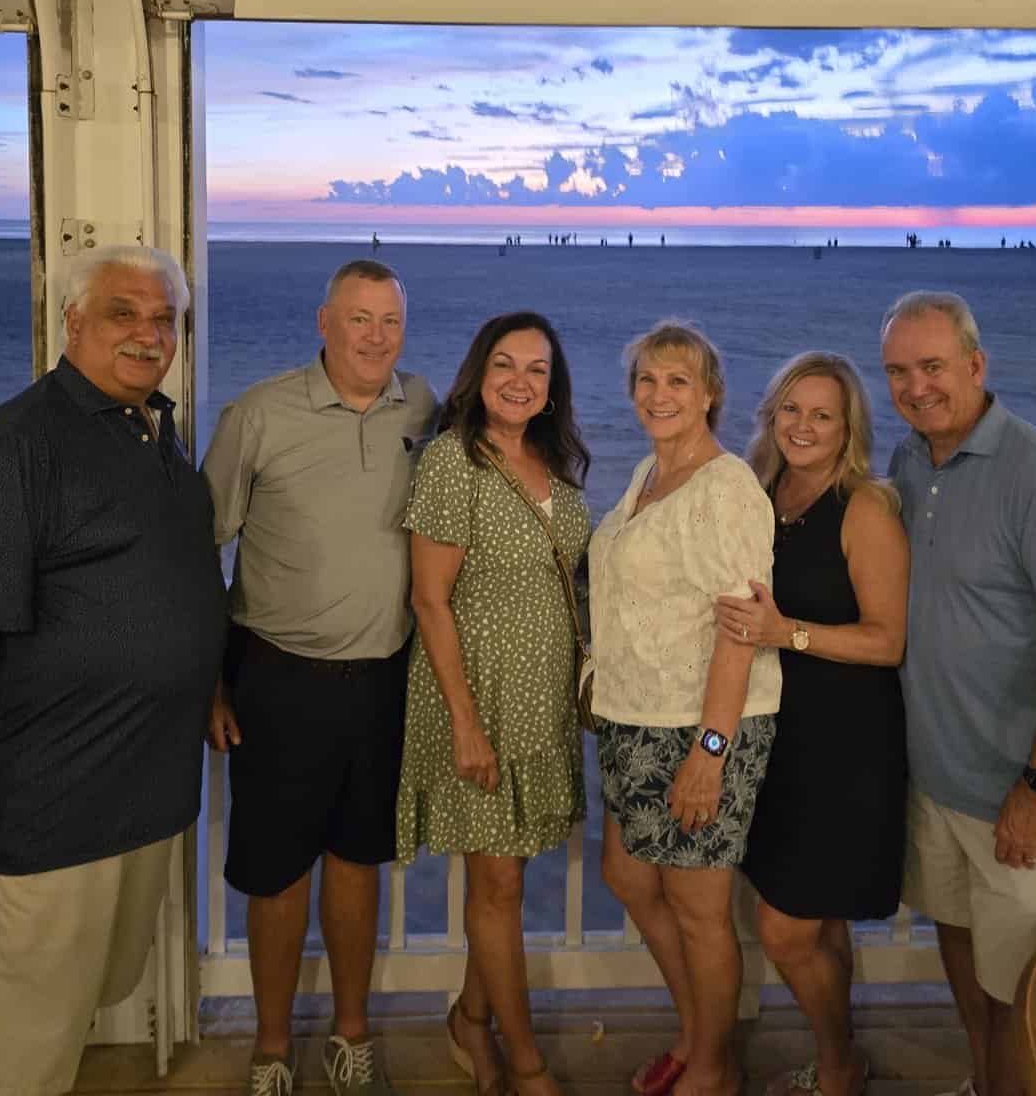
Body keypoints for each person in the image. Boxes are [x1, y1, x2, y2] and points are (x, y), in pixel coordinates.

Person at [0, 245, 227, 1096]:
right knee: (23, 1034)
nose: (149, 333)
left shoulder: (152, 435)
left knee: (86, 994)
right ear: (72, 321)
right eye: (124, 313)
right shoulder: (14, 449)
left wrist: (209, 678)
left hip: (145, 789)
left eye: (165, 318)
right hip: (49, 800)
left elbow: (174, 586)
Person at [203, 259, 437, 1096]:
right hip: (277, 678)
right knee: (276, 874)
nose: (376, 337)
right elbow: (202, 552)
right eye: (359, 319)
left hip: (383, 680)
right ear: (323, 322)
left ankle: (350, 1034)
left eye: (390, 322)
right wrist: (210, 684)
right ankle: (271, 1050)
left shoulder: (424, 408)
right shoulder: (259, 415)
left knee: (357, 863)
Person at [881, 291, 1036, 1096]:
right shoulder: (909, 460)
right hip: (938, 780)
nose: (916, 386)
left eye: (933, 366)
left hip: (1021, 791)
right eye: (898, 371)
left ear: (976, 365)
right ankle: (983, 1083)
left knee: (1021, 995)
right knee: (965, 960)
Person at [396, 312, 591, 1096]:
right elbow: (429, 600)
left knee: (503, 878)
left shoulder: (550, 459)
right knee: (499, 887)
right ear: (479, 374)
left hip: (539, 698)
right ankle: (528, 1060)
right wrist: (466, 726)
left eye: (537, 369)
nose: (520, 381)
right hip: (472, 697)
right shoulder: (452, 461)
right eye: (505, 364)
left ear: (552, 387)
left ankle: (470, 1019)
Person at [589, 321, 780, 1096]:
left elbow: (740, 628)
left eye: (677, 381)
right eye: (646, 380)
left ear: (709, 395)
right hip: (634, 716)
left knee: (700, 908)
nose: (658, 395)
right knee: (629, 877)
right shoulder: (647, 474)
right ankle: (703, 1034)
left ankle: (711, 1070)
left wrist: (709, 753)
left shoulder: (726, 487)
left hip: (702, 723)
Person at [714, 352, 909, 1096]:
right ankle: (843, 1060)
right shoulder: (762, 492)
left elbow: (888, 639)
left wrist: (784, 632)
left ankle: (837, 1068)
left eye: (823, 414)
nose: (804, 426)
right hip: (778, 741)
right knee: (821, 926)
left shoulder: (864, 508)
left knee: (784, 931)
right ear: (771, 414)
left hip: (847, 746)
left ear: (847, 427)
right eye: (792, 409)